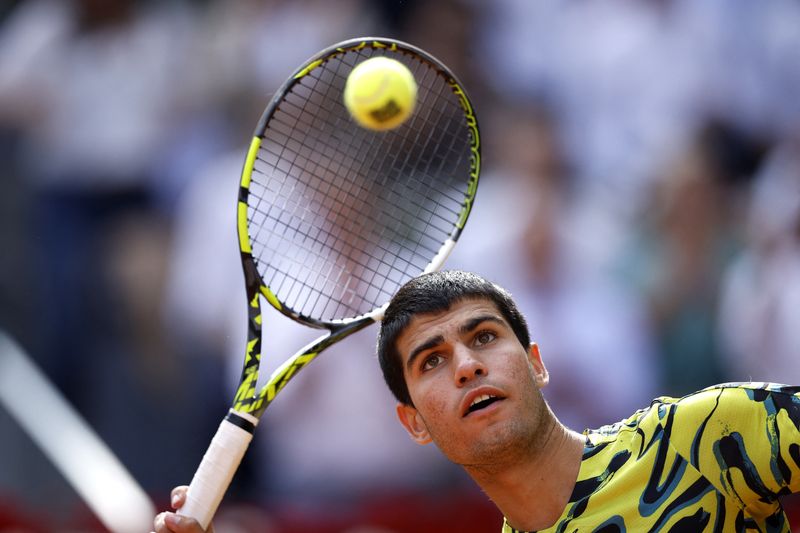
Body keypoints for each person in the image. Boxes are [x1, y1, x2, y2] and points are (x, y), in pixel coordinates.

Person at [154, 270, 800, 532]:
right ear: (413, 423)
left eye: (484, 337)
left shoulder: (701, 437)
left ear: (537, 363)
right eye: (431, 360)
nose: (466, 365)